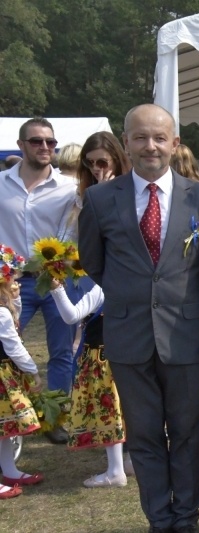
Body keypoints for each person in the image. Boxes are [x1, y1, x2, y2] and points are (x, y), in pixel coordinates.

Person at [78, 103, 199, 533]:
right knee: (144, 437)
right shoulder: (100, 198)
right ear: (125, 142)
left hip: (186, 335)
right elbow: (93, 261)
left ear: (174, 143)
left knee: (185, 435)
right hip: (128, 337)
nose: (150, 146)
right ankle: (159, 520)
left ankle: (186, 518)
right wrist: (132, 293)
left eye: (159, 137)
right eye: (140, 137)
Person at [49, 131, 133, 489]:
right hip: (91, 281)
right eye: (90, 163)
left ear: (116, 158)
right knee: (111, 387)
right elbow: (78, 239)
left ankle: (123, 460)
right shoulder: (83, 199)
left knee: (118, 388)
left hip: (117, 286)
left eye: (103, 161)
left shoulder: (129, 191)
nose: (96, 169)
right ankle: (122, 457)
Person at [0, 118, 78, 445]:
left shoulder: (69, 188)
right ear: (21, 145)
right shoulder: (1, 183)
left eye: (50, 142)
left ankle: (54, 419)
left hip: (57, 280)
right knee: (4, 349)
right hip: (13, 282)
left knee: (61, 353)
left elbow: (78, 226)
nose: (45, 147)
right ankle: (11, 414)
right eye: (36, 141)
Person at [0, 245, 44, 499]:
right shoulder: (2, 314)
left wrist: (13, 298)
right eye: (12, 280)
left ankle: (9, 469)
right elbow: (14, 345)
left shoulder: (6, 309)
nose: (17, 284)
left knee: (7, 428)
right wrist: (33, 371)